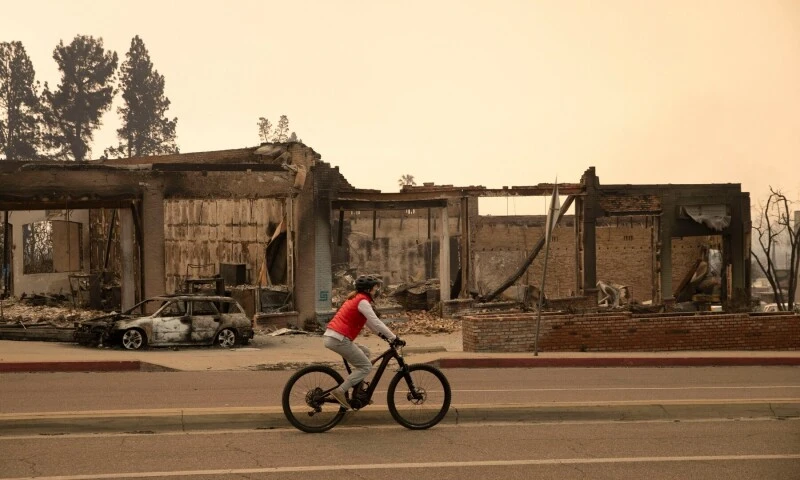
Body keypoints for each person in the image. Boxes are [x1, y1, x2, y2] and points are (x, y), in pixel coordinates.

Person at [324, 274, 404, 409]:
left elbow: (370, 324)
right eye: (374, 288)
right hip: (339, 339)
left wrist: (383, 336)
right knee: (366, 366)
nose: (376, 291)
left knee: (366, 353)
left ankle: (358, 392)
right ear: (368, 290)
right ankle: (339, 391)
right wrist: (393, 337)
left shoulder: (356, 298)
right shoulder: (362, 301)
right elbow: (376, 322)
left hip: (334, 337)